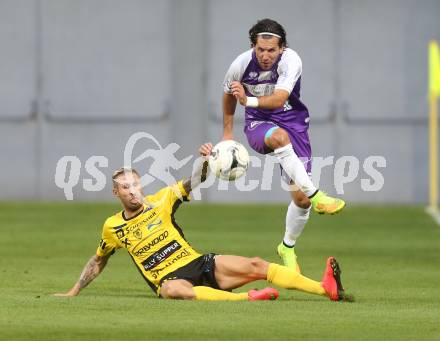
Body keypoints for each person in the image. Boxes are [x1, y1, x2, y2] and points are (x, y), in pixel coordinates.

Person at [55, 143, 352, 302]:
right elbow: (98, 260)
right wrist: (74, 291)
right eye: (125, 187)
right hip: (169, 279)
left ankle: (325, 289)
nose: (132, 191)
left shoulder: (162, 199)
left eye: (135, 184)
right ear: (116, 192)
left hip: (198, 263)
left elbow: (195, 180)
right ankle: (248, 300)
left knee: (257, 265)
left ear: (141, 184)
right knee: (172, 290)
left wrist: (208, 160)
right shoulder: (112, 226)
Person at [222, 18, 345, 271]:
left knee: (301, 200)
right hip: (259, 124)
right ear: (253, 47)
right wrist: (227, 133)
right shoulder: (241, 64)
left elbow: (279, 100)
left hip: (293, 121)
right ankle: (318, 194)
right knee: (279, 138)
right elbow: (227, 94)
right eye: (260, 49)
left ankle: (286, 247)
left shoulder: (292, 61)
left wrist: (249, 100)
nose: (265, 56)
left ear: (282, 49)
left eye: (271, 50)